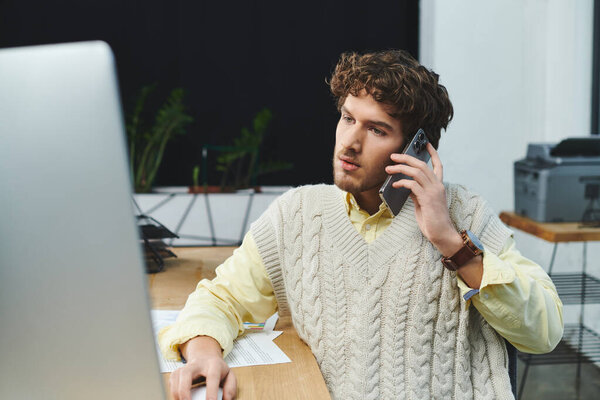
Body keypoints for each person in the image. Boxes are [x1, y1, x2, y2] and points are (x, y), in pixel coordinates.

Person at [159, 50, 563, 400]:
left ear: (415, 150)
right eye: (348, 118)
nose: (349, 142)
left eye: (376, 130)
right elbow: (220, 299)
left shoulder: (465, 214)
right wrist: (204, 356)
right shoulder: (297, 214)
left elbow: (544, 331)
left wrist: (450, 242)